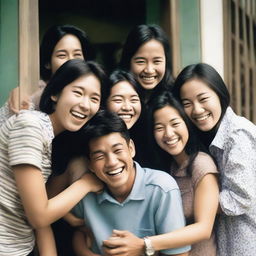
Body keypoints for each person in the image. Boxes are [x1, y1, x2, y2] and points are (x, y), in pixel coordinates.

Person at [0, 59, 106, 256]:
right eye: (78, 92)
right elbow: (39, 216)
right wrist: (86, 184)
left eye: (94, 98)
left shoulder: (50, 137)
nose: (85, 105)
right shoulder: (30, 126)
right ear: (55, 93)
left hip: (20, 247)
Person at [71, 110, 190, 256]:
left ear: (131, 148)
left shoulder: (161, 188)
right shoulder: (85, 192)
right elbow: (79, 232)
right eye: (100, 156)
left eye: (117, 150)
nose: (112, 162)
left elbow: (179, 254)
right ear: (90, 164)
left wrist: (143, 246)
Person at [172, 63, 256, 256]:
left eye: (203, 99)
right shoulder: (214, 135)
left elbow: (240, 198)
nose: (197, 109)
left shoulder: (237, 134)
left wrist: (188, 201)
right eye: (186, 103)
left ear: (219, 94)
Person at [144, 90, 218, 255]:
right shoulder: (169, 168)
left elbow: (203, 228)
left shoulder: (201, 164)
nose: (168, 133)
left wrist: (146, 244)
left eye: (175, 124)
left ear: (187, 123)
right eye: (159, 127)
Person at [0, 24, 94, 125]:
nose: (71, 61)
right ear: (47, 63)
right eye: (62, 55)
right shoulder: (31, 99)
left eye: (77, 55)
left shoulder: (95, 91)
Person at [119, 24, 173, 105]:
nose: (149, 70)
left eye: (157, 61)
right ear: (128, 61)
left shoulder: (176, 98)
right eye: (141, 61)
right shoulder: (116, 98)